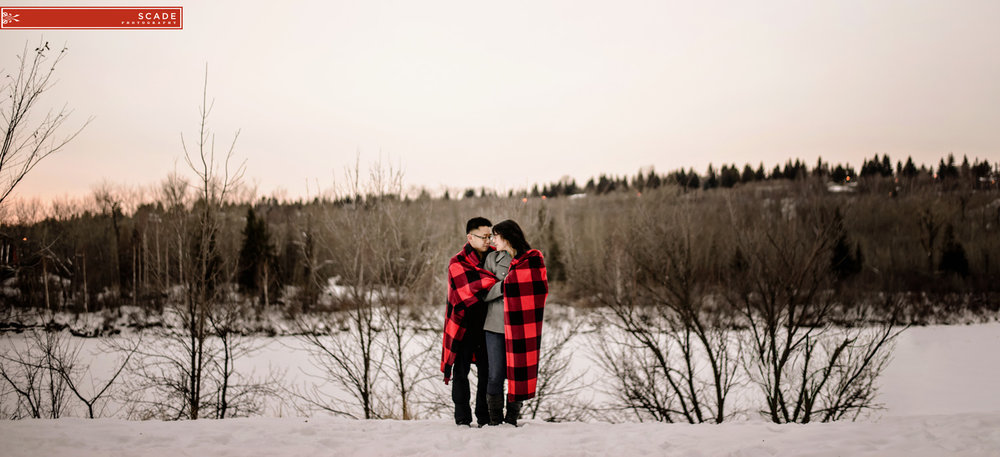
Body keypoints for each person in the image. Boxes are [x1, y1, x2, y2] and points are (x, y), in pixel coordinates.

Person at [481, 219, 548, 426]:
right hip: (495, 325)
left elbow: (539, 288)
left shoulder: (531, 259)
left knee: (518, 374)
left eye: (496, 236)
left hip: (520, 327)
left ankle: (511, 420)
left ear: (507, 237)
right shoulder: (492, 259)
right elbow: (484, 291)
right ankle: (495, 421)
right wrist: (508, 286)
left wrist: (508, 285)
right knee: (495, 376)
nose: (493, 240)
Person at [441, 217, 496, 427]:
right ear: (470, 237)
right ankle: (462, 418)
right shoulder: (458, 262)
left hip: (488, 324)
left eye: (490, 236)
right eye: (483, 236)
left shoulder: (495, 257)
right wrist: (493, 283)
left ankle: (484, 416)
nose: (487, 240)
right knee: (461, 373)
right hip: (463, 325)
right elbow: (466, 291)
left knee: (487, 373)